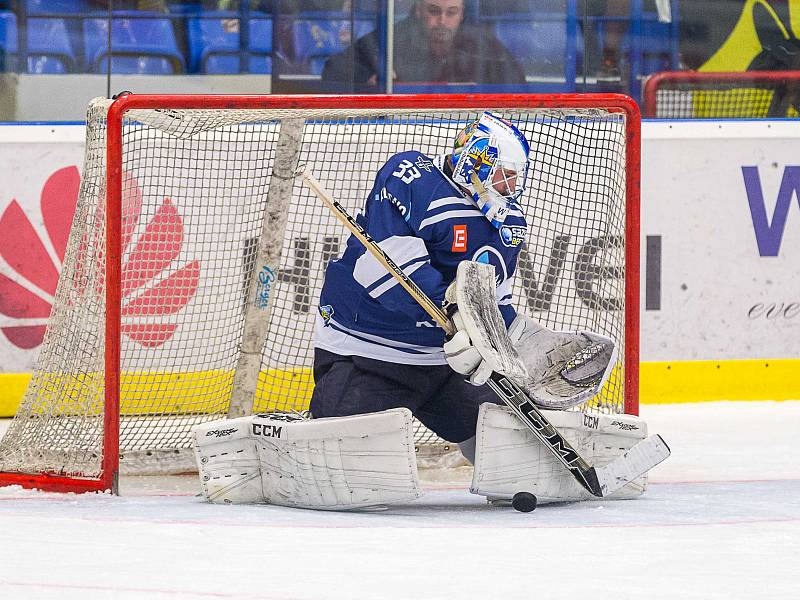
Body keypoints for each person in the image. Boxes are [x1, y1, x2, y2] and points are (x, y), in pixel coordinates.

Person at [310, 112, 531, 460]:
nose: (511, 187)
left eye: (516, 178)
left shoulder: (508, 224)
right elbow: (388, 274)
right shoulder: (411, 176)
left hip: (448, 367)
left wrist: (506, 340)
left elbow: (495, 298)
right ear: (476, 161)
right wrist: (457, 314)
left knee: (511, 444)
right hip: (370, 354)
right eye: (505, 175)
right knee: (341, 456)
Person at [321, 0, 525, 86]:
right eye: (434, 11)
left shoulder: (481, 44)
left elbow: (517, 84)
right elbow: (333, 72)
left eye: (451, 12)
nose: (442, 21)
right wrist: (367, 81)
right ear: (419, 10)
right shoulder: (391, 38)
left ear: (462, 13)